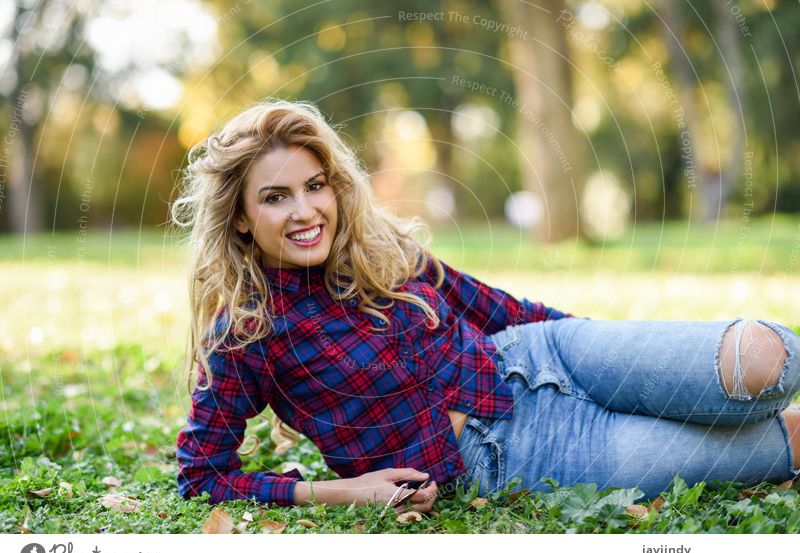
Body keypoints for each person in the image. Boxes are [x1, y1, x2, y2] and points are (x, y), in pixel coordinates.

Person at [172, 98, 800, 515]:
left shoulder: (379, 250)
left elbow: (493, 306)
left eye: (315, 187)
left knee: (768, 358)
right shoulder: (247, 332)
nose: (306, 211)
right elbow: (202, 476)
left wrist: (605, 354)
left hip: (543, 355)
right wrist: (342, 492)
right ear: (243, 219)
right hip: (516, 453)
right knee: (786, 437)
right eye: (277, 197)